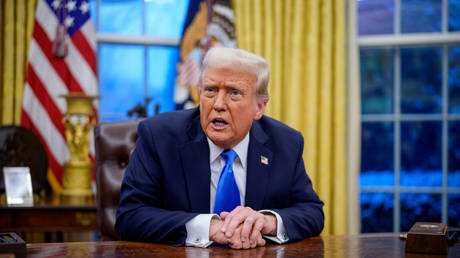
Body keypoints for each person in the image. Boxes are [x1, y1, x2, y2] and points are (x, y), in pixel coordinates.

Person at [115, 47, 324, 249]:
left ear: (259, 107)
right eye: (210, 90)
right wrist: (209, 228)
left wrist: (266, 222)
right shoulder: (159, 137)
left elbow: (312, 212)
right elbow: (130, 215)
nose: (218, 104)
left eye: (234, 93)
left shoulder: (285, 143)